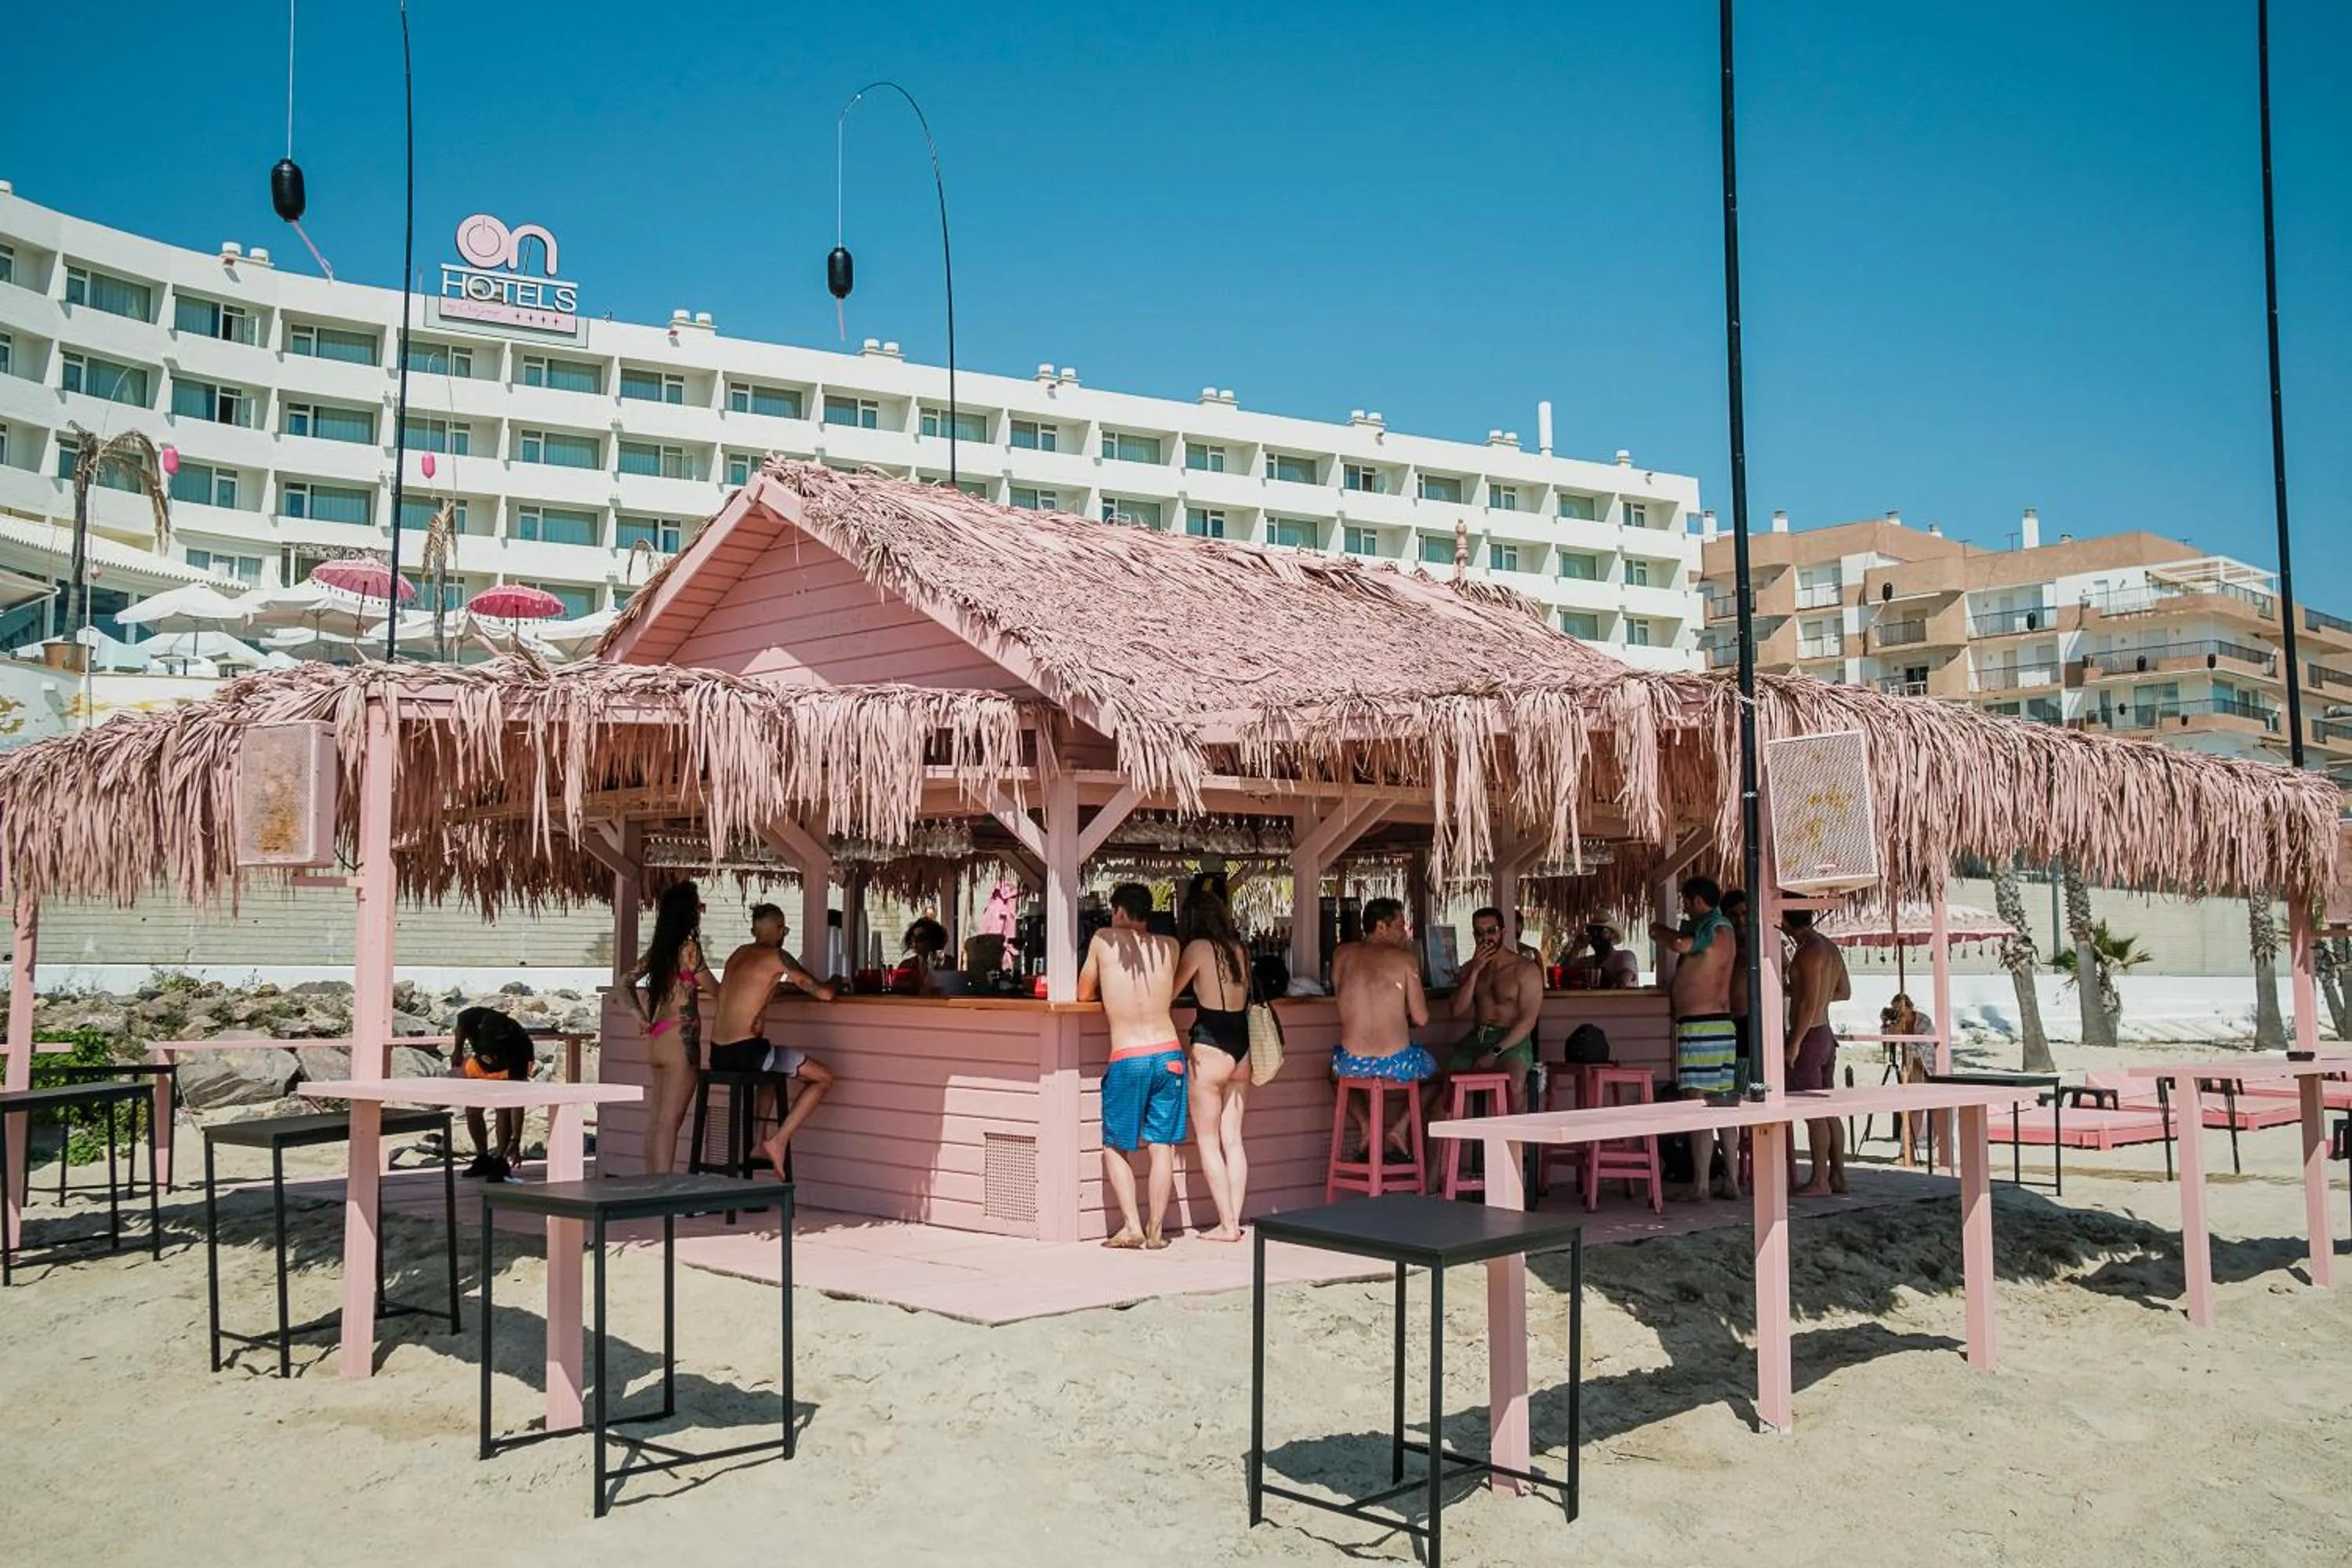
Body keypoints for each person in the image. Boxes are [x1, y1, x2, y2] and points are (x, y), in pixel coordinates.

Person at [1078, 883, 1186, 1250]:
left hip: (1129, 1055)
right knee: (1162, 1146)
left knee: (1115, 1145)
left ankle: (1132, 1227)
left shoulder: (1103, 940)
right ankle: (1157, 1232)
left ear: (1120, 912)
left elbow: (1083, 992)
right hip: (1170, 1052)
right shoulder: (1170, 946)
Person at [710, 902, 839, 1177]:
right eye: (784, 929)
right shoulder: (777, 956)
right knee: (824, 1077)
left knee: (769, 1077)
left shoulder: (737, 954)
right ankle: (777, 1141)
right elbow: (824, 994)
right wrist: (837, 981)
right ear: (780, 929)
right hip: (748, 1052)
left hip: (719, 1054)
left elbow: (754, 989)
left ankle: (758, 1143)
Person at [1650, 877, 1741, 1202]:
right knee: (1723, 1104)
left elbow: (1682, 946)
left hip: (1701, 1027)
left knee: (1698, 1103)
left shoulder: (1712, 927)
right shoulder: (1724, 928)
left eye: (1687, 903)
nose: (1686, 909)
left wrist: (1661, 932)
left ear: (1698, 900)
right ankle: (1732, 1179)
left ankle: (1701, 1184)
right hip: (1717, 1025)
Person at [1174, 881, 1253, 1242]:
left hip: (1210, 1046)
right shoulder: (1239, 949)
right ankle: (1233, 1220)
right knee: (1233, 1139)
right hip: (1242, 1048)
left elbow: (1171, 991)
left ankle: (1227, 1225)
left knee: (1207, 1140)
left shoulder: (1198, 949)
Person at [626, 880, 720, 1174]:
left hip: (657, 1036)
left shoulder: (659, 950)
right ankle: (663, 1191)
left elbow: (623, 982)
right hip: (680, 1038)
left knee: (657, 1120)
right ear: (688, 913)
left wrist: (640, 1017)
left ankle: (651, 1185)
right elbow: (717, 991)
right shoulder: (689, 948)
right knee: (670, 1121)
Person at [1330, 897, 1434, 1156]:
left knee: (1333, 1075)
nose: (1405, 931)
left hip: (1351, 1062)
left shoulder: (1341, 954)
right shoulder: (1406, 960)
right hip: (1396, 1061)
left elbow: (1341, 995)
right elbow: (1421, 1018)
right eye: (1400, 925)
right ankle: (1399, 1128)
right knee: (1437, 1078)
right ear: (1381, 926)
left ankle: (1366, 1127)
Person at [1783, 904, 1852, 1195]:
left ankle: (1820, 1180)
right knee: (1828, 1108)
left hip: (1809, 1035)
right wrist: (1802, 993)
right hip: (1825, 1033)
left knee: (1814, 1112)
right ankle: (1837, 1175)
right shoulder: (1829, 947)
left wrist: (1795, 1042)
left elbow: (1809, 1003)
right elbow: (1844, 991)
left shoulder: (1809, 949)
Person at [1447, 906, 1543, 1112]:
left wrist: (1495, 1052)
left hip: (1511, 1041)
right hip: (1478, 1037)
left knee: (1515, 1082)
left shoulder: (1525, 969)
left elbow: (1528, 1021)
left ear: (1503, 932)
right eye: (1479, 933)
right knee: (1445, 1086)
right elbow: (1456, 1010)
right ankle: (1444, 1142)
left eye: (1491, 931)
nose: (1486, 938)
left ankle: (1510, 1143)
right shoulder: (1470, 968)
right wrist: (1474, 971)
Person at [449, 1004, 537, 1181]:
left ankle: (500, 1159)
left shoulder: (520, 1048)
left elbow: (516, 1101)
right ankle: (483, 1157)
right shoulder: (472, 1017)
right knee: (473, 1108)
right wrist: (457, 1049)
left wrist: (516, 1140)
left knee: (503, 1108)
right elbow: (461, 1025)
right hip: (480, 1065)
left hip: (508, 1069)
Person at [1722, 887, 1752, 1086]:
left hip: (1750, 1023)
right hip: (1724, 1022)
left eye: (1744, 914)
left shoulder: (1759, 942)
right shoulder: (1720, 943)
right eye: (1733, 915)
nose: (1740, 920)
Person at [1562, 922, 1639, 989]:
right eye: (1592, 931)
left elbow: (1624, 979)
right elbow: (1564, 975)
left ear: (1612, 935)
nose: (1595, 934)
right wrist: (1576, 948)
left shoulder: (1625, 956)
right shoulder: (1587, 962)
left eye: (1601, 930)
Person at [900, 916, 949, 996]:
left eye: (920, 939)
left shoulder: (946, 963)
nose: (915, 943)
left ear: (933, 940)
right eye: (913, 939)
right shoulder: (906, 966)